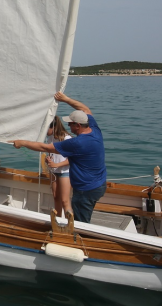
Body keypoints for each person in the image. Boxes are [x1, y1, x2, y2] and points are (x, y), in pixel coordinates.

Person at [11, 92, 107, 223]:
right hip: (99, 184)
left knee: (82, 224)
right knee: (81, 217)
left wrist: (22, 143)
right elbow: (85, 110)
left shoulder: (77, 143)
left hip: (86, 190)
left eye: (71, 124)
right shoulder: (94, 130)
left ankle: (79, 241)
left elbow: (45, 148)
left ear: (78, 125)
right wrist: (66, 99)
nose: (68, 126)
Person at [45, 116, 72, 215]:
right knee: (56, 196)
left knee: (65, 200)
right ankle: (57, 219)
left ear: (54, 127)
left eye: (46, 128)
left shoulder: (66, 138)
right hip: (54, 171)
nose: (45, 130)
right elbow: (51, 155)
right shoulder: (50, 139)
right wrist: (48, 160)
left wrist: (56, 164)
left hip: (65, 172)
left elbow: (71, 159)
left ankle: (69, 223)